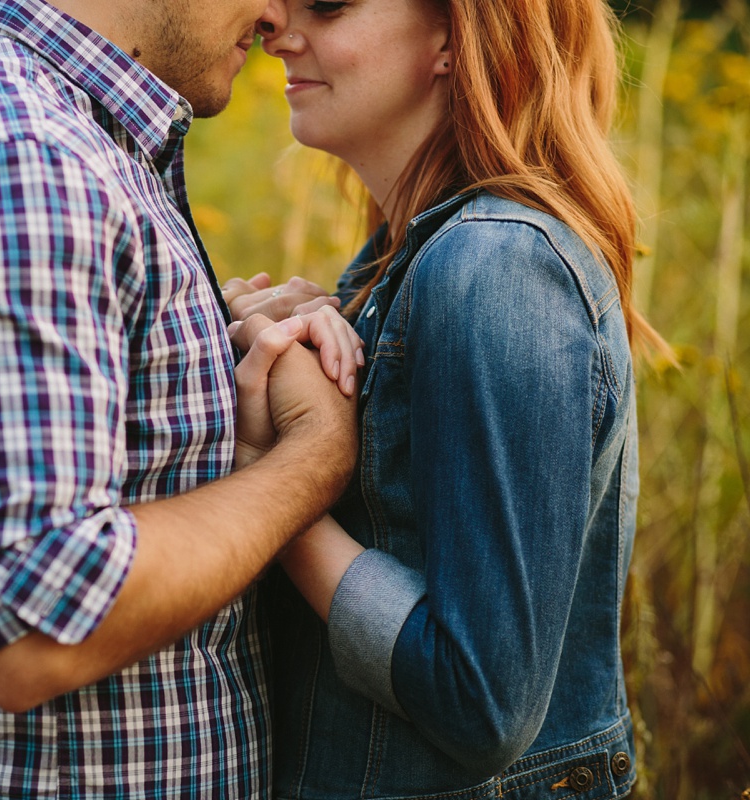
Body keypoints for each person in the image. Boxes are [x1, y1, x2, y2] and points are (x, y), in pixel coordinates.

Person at [0, 0, 363, 796]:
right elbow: (36, 628)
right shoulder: (21, 164)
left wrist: (219, 346)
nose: (277, 15)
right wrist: (313, 459)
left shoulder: (74, 140)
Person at [226, 0, 662, 796]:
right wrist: (257, 344)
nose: (274, 25)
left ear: (454, 39)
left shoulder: (494, 267)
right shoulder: (408, 260)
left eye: (327, 3)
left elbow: (483, 699)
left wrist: (278, 493)